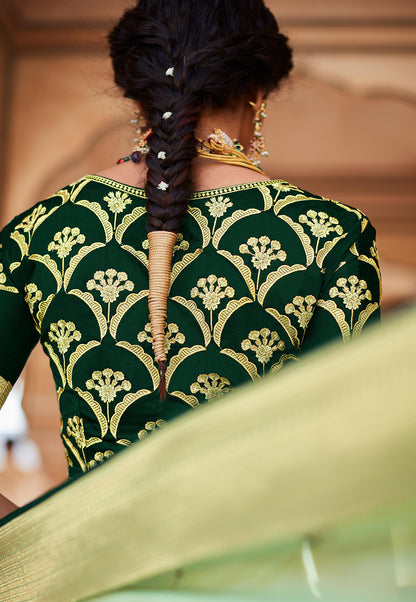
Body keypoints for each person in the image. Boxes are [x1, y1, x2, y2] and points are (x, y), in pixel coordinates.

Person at [0, 0, 381, 517]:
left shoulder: (39, 233)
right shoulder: (330, 236)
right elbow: (352, 462)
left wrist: (35, 553)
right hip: (257, 584)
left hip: (89, 593)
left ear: (137, 93)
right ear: (257, 95)